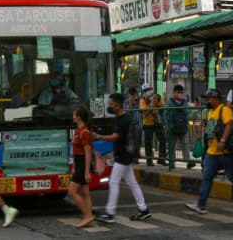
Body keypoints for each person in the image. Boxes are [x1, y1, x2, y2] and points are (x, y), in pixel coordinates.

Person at [185, 89, 233, 214]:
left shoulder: (224, 110)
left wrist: (223, 140)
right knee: (207, 177)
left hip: (224, 152)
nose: (207, 101)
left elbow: (230, 124)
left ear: (216, 98)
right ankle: (201, 205)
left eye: (209, 98)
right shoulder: (211, 112)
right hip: (212, 152)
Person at [94, 93, 151, 223]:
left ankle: (110, 213)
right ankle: (144, 209)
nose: (110, 106)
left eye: (111, 104)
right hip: (125, 154)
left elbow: (115, 137)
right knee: (132, 183)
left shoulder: (123, 120)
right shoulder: (120, 118)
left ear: (118, 105)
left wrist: (98, 136)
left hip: (124, 156)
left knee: (113, 182)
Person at [68, 106, 94, 228]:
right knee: (84, 193)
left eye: (74, 114)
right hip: (78, 163)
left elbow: (88, 153)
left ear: (78, 117)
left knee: (72, 191)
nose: (72, 116)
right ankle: (89, 219)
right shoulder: (79, 131)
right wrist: (74, 165)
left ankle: (87, 216)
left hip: (83, 163)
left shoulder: (85, 132)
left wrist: (86, 171)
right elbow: (75, 151)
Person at [165, 84, 195, 169]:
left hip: (183, 127)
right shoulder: (170, 102)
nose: (180, 94)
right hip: (173, 127)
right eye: (178, 92)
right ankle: (172, 162)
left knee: (185, 144)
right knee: (172, 145)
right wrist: (167, 124)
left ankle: (188, 161)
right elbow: (165, 113)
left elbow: (189, 112)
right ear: (174, 93)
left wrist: (184, 108)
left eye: (181, 93)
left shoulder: (185, 102)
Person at [139, 84, 166, 166]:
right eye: (146, 90)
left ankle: (161, 158)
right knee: (148, 142)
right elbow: (144, 111)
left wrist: (156, 102)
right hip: (147, 123)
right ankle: (149, 160)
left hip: (157, 122)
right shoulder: (143, 100)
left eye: (149, 89)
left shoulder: (158, 97)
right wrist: (150, 105)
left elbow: (163, 106)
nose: (149, 91)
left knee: (163, 139)